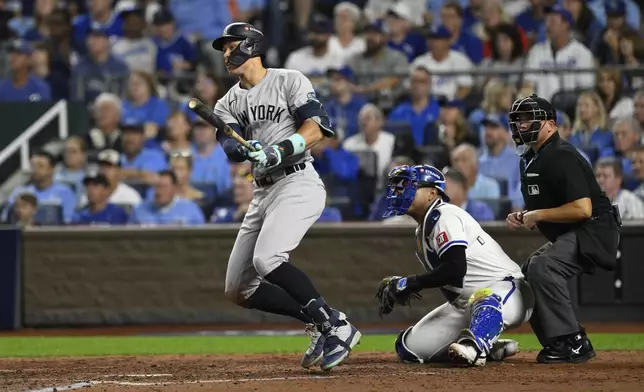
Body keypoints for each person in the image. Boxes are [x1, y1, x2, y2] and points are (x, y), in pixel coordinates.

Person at [211, 22, 361, 371]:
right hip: (262, 191)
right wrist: (246, 150)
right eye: (224, 48)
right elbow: (230, 145)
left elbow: (317, 128)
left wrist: (278, 151)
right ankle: (324, 320)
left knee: (268, 259)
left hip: (298, 181)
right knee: (238, 289)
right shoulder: (226, 102)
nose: (226, 54)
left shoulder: (289, 79)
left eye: (231, 46)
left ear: (251, 46)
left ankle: (337, 326)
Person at [376, 164, 533, 366]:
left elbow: (455, 269)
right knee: (409, 349)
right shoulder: (422, 230)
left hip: (508, 290)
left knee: (484, 298)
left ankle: (476, 347)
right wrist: (409, 283)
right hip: (464, 305)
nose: (401, 190)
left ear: (432, 193)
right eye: (399, 186)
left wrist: (411, 282)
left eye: (410, 185)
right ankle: (491, 347)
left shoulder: (445, 215)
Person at [506, 94, 620, 363]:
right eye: (518, 120)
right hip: (575, 230)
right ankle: (558, 343)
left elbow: (583, 209)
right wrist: (524, 216)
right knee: (527, 271)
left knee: (544, 267)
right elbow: (550, 205)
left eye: (528, 118)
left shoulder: (561, 154)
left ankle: (575, 341)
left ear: (550, 123)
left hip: (594, 229)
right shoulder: (533, 158)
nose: (522, 125)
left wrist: (538, 214)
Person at [521, 5, 595, 100]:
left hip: (571, 111)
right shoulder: (537, 51)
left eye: (553, 22)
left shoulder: (582, 53)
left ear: (566, 24)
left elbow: (586, 90)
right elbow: (528, 84)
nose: (548, 26)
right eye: (546, 21)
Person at [2, 150, 76, 224]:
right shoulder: (19, 192)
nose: (35, 169)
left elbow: (68, 222)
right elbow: (5, 220)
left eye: (41, 166)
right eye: (33, 166)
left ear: (52, 170)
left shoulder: (65, 192)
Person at [346, 22, 409, 101]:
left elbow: (393, 80)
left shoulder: (397, 57)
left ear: (385, 37)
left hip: (393, 103)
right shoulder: (356, 59)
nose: (370, 37)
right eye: (368, 33)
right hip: (363, 105)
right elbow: (343, 76)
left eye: (375, 33)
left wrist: (365, 89)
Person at [412, 25, 473, 101]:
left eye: (438, 39)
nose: (434, 43)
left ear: (448, 41)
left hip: (450, 103)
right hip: (426, 103)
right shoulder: (419, 61)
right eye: (432, 39)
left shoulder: (460, 60)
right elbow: (410, 87)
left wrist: (453, 103)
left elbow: (465, 87)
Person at [70, 24, 129, 102]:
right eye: (90, 37)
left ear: (107, 41)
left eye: (97, 37)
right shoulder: (79, 68)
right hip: (87, 111)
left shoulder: (121, 67)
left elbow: (124, 97)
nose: (92, 41)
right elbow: (77, 100)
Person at [343, 103, 396, 186]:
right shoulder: (349, 144)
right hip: (357, 190)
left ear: (379, 122)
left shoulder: (391, 141)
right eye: (361, 119)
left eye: (368, 118)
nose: (363, 122)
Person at [387, 66, 441, 146]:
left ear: (430, 84)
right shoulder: (398, 112)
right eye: (414, 81)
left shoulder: (439, 110)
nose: (417, 85)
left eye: (422, 81)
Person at [129, 170, 204, 225]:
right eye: (157, 186)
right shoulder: (140, 211)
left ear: (174, 188)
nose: (159, 192)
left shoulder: (190, 210)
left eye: (164, 187)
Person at [112, 8, 170, 75]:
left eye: (136, 19)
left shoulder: (152, 45)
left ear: (143, 23)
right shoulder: (116, 48)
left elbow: (165, 69)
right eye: (128, 20)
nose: (132, 23)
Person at [121, 71, 171, 141]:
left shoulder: (159, 105)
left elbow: (152, 130)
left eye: (138, 84)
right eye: (132, 84)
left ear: (148, 86)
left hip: (152, 147)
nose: (134, 87)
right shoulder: (123, 105)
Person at [191, 117, 231, 196]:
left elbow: (229, 189)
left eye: (205, 128)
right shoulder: (188, 154)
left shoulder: (227, 156)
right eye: (197, 128)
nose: (200, 132)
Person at [324, 66, 368, 140]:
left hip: (357, 145)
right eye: (332, 80)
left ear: (350, 83)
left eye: (338, 80)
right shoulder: (327, 106)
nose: (333, 83)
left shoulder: (362, 106)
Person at [568, 91, 614, 161]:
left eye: (586, 105)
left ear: (597, 108)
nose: (582, 109)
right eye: (580, 105)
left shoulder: (607, 135)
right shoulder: (574, 136)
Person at [151, 9, 196, 78]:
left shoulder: (184, 41)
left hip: (183, 80)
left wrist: (183, 65)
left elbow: (194, 63)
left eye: (166, 24)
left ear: (173, 24)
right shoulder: (153, 43)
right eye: (160, 25)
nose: (164, 28)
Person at [54, 136, 90, 200]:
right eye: (67, 151)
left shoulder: (90, 176)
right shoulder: (53, 175)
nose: (69, 155)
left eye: (73, 151)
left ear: (83, 155)